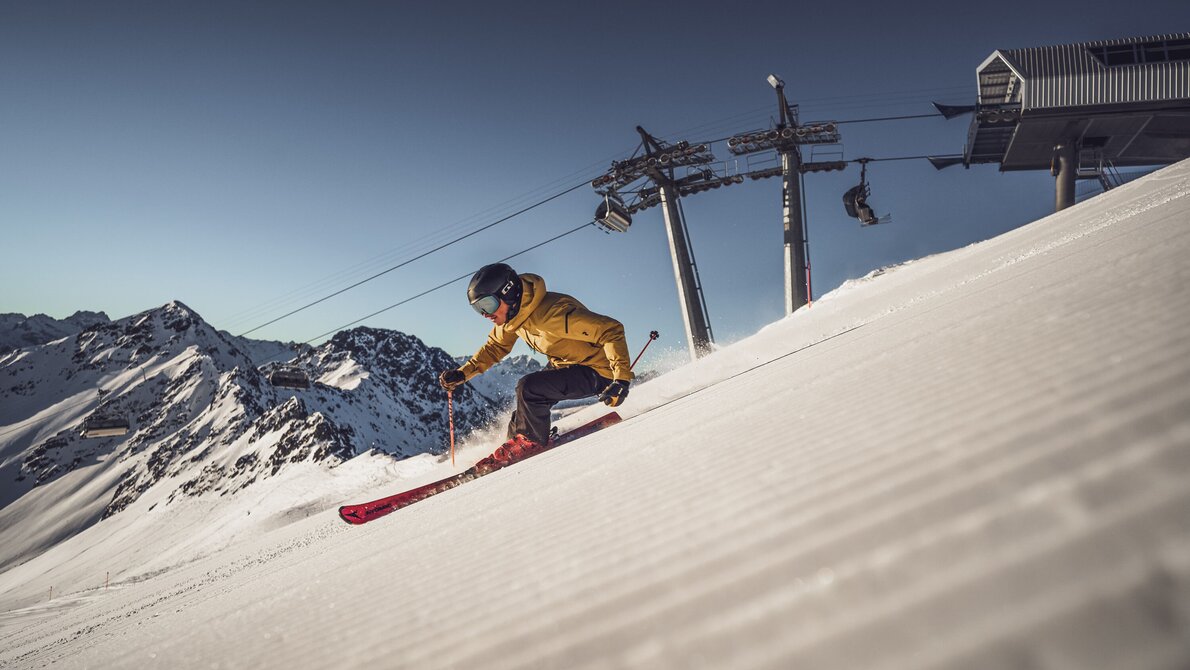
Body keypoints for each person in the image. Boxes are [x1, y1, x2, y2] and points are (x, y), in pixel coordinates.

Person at [439, 262, 633, 462]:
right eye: (478, 309)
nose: (486, 315)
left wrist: (621, 380)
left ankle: (530, 443)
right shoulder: (514, 317)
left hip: (600, 371)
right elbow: (495, 347)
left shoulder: (553, 314)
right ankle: (516, 444)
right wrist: (464, 373)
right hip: (567, 363)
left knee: (529, 388)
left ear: (508, 293)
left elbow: (611, 330)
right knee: (524, 412)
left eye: (488, 304)